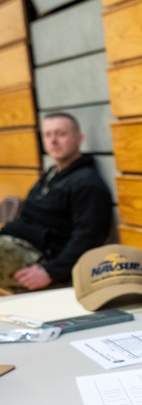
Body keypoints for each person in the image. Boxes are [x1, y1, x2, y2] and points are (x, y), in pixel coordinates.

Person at [0, 112, 113, 292]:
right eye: (48, 135)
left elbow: (89, 237)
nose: (53, 141)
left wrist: (51, 272)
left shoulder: (87, 183)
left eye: (61, 134)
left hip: (41, 259)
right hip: (15, 243)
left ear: (79, 138)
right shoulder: (51, 175)